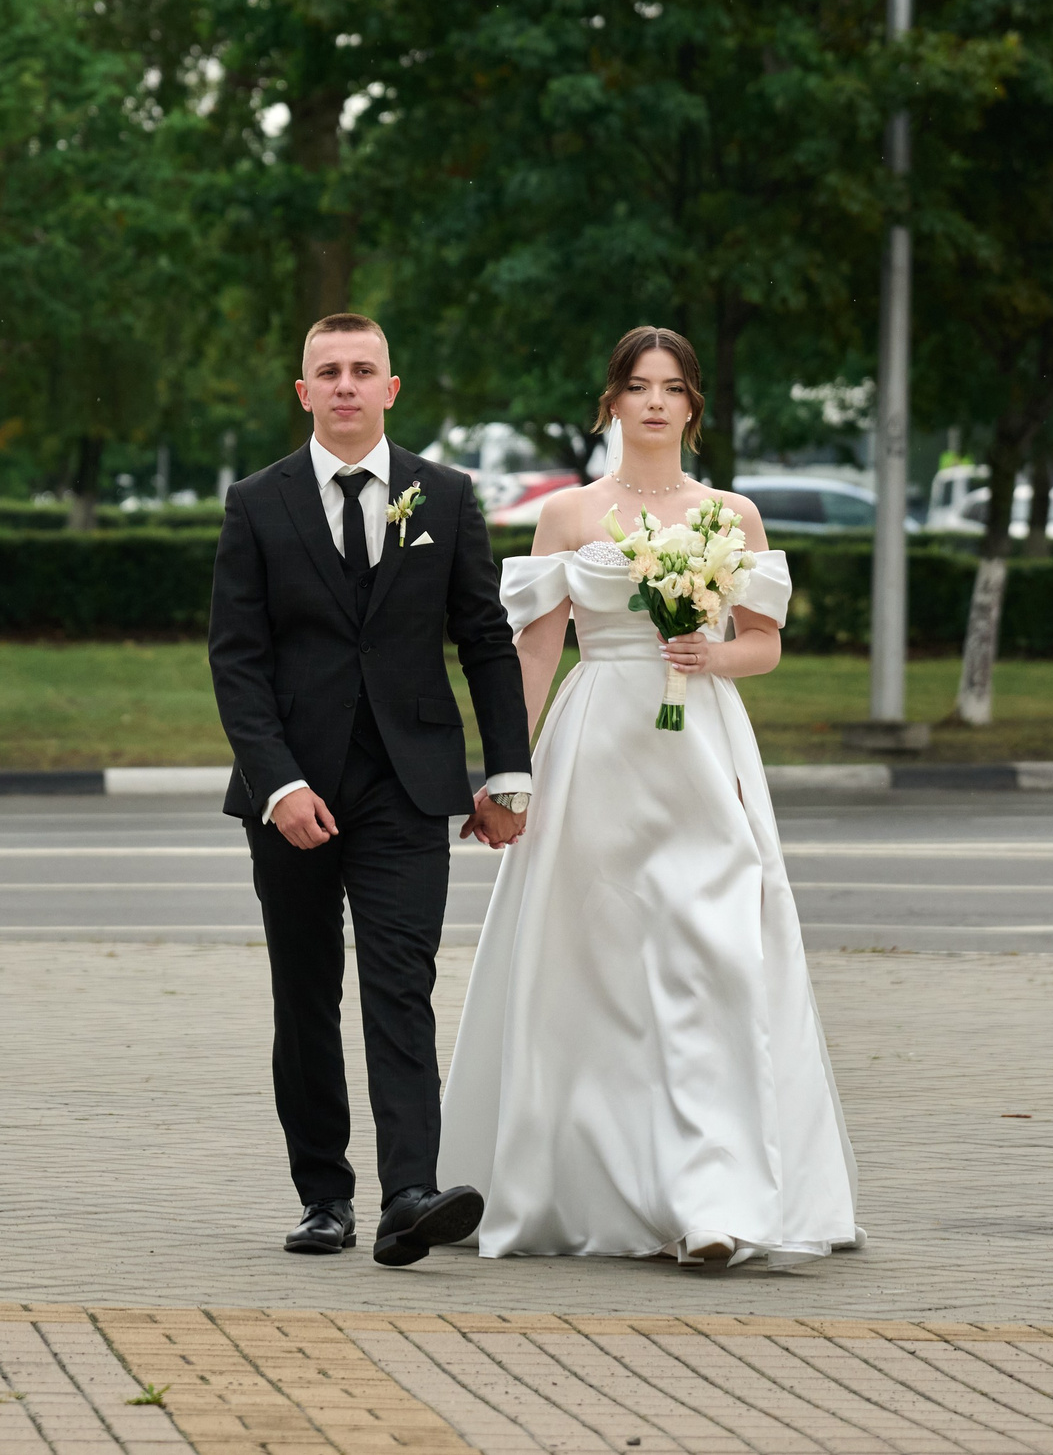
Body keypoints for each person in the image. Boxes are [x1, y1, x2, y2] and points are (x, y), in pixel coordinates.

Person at [440, 325, 862, 1269]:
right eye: (639, 386)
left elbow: (764, 642)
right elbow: (538, 651)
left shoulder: (731, 515)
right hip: (596, 745)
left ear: (694, 405)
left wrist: (715, 654)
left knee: (712, 955)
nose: (657, 402)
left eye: (673, 387)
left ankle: (717, 1200)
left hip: (701, 751)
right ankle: (598, 1183)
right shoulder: (568, 516)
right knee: (595, 964)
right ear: (613, 402)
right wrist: (509, 771)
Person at [208, 312, 536, 1267]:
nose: (346, 385)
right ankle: (324, 1198)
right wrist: (278, 785)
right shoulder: (256, 503)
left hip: (408, 783)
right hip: (292, 796)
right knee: (305, 996)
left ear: (393, 389)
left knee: (402, 984)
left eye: (364, 370)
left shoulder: (445, 495)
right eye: (328, 371)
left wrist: (507, 773)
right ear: (302, 391)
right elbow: (238, 660)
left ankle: (409, 1195)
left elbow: (483, 640)